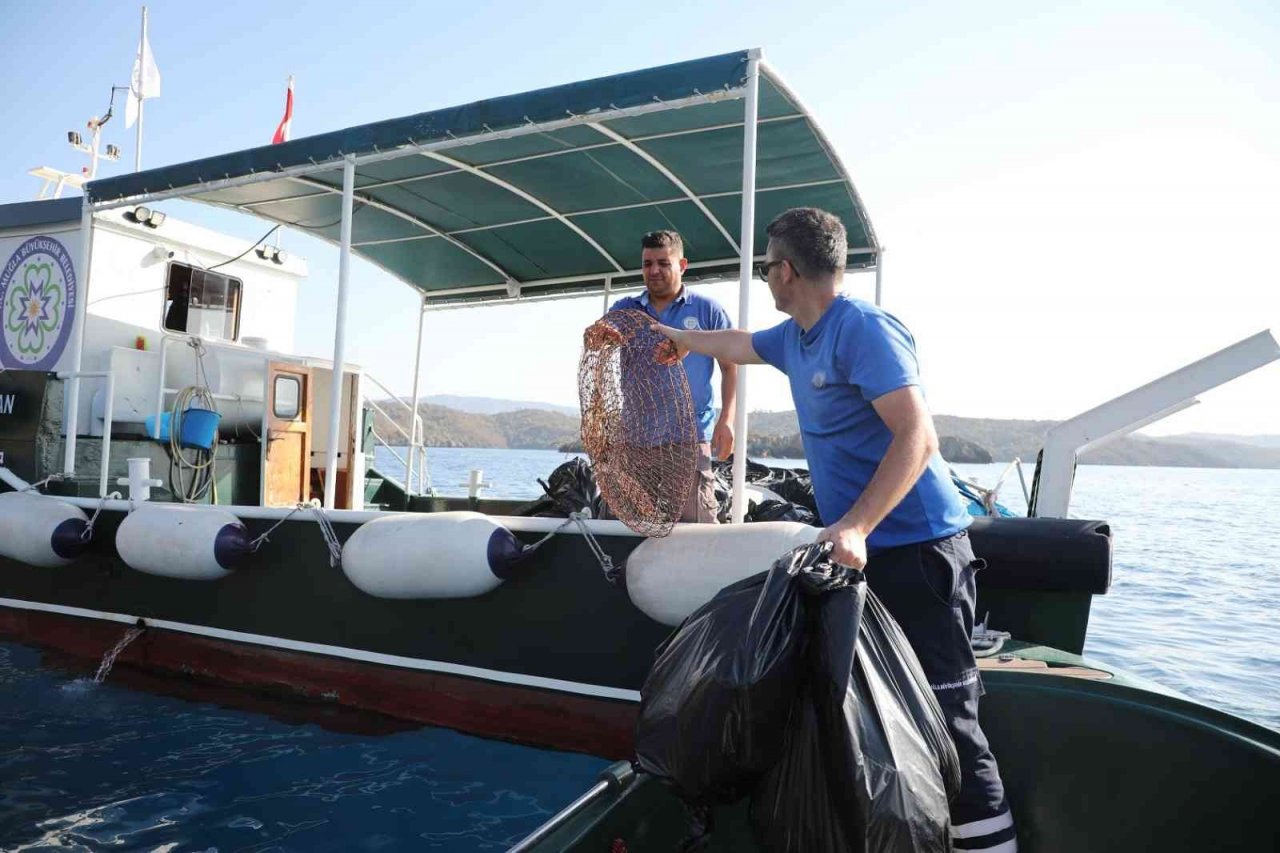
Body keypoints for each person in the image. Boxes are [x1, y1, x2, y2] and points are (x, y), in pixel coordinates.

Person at [651, 208, 1017, 852]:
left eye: (766, 266)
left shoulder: (863, 331)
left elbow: (917, 436)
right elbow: (739, 344)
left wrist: (855, 525)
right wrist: (678, 339)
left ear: (787, 270)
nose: (765, 277)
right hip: (864, 556)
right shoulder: (795, 337)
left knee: (948, 717)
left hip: (919, 554)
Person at [608, 230, 737, 523]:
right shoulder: (625, 309)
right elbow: (599, 338)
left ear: (682, 265)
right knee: (629, 526)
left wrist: (726, 420)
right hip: (635, 441)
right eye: (647, 263)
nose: (654, 270)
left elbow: (731, 367)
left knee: (697, 525)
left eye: (663, 263)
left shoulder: (708, 311)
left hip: (689, 439)